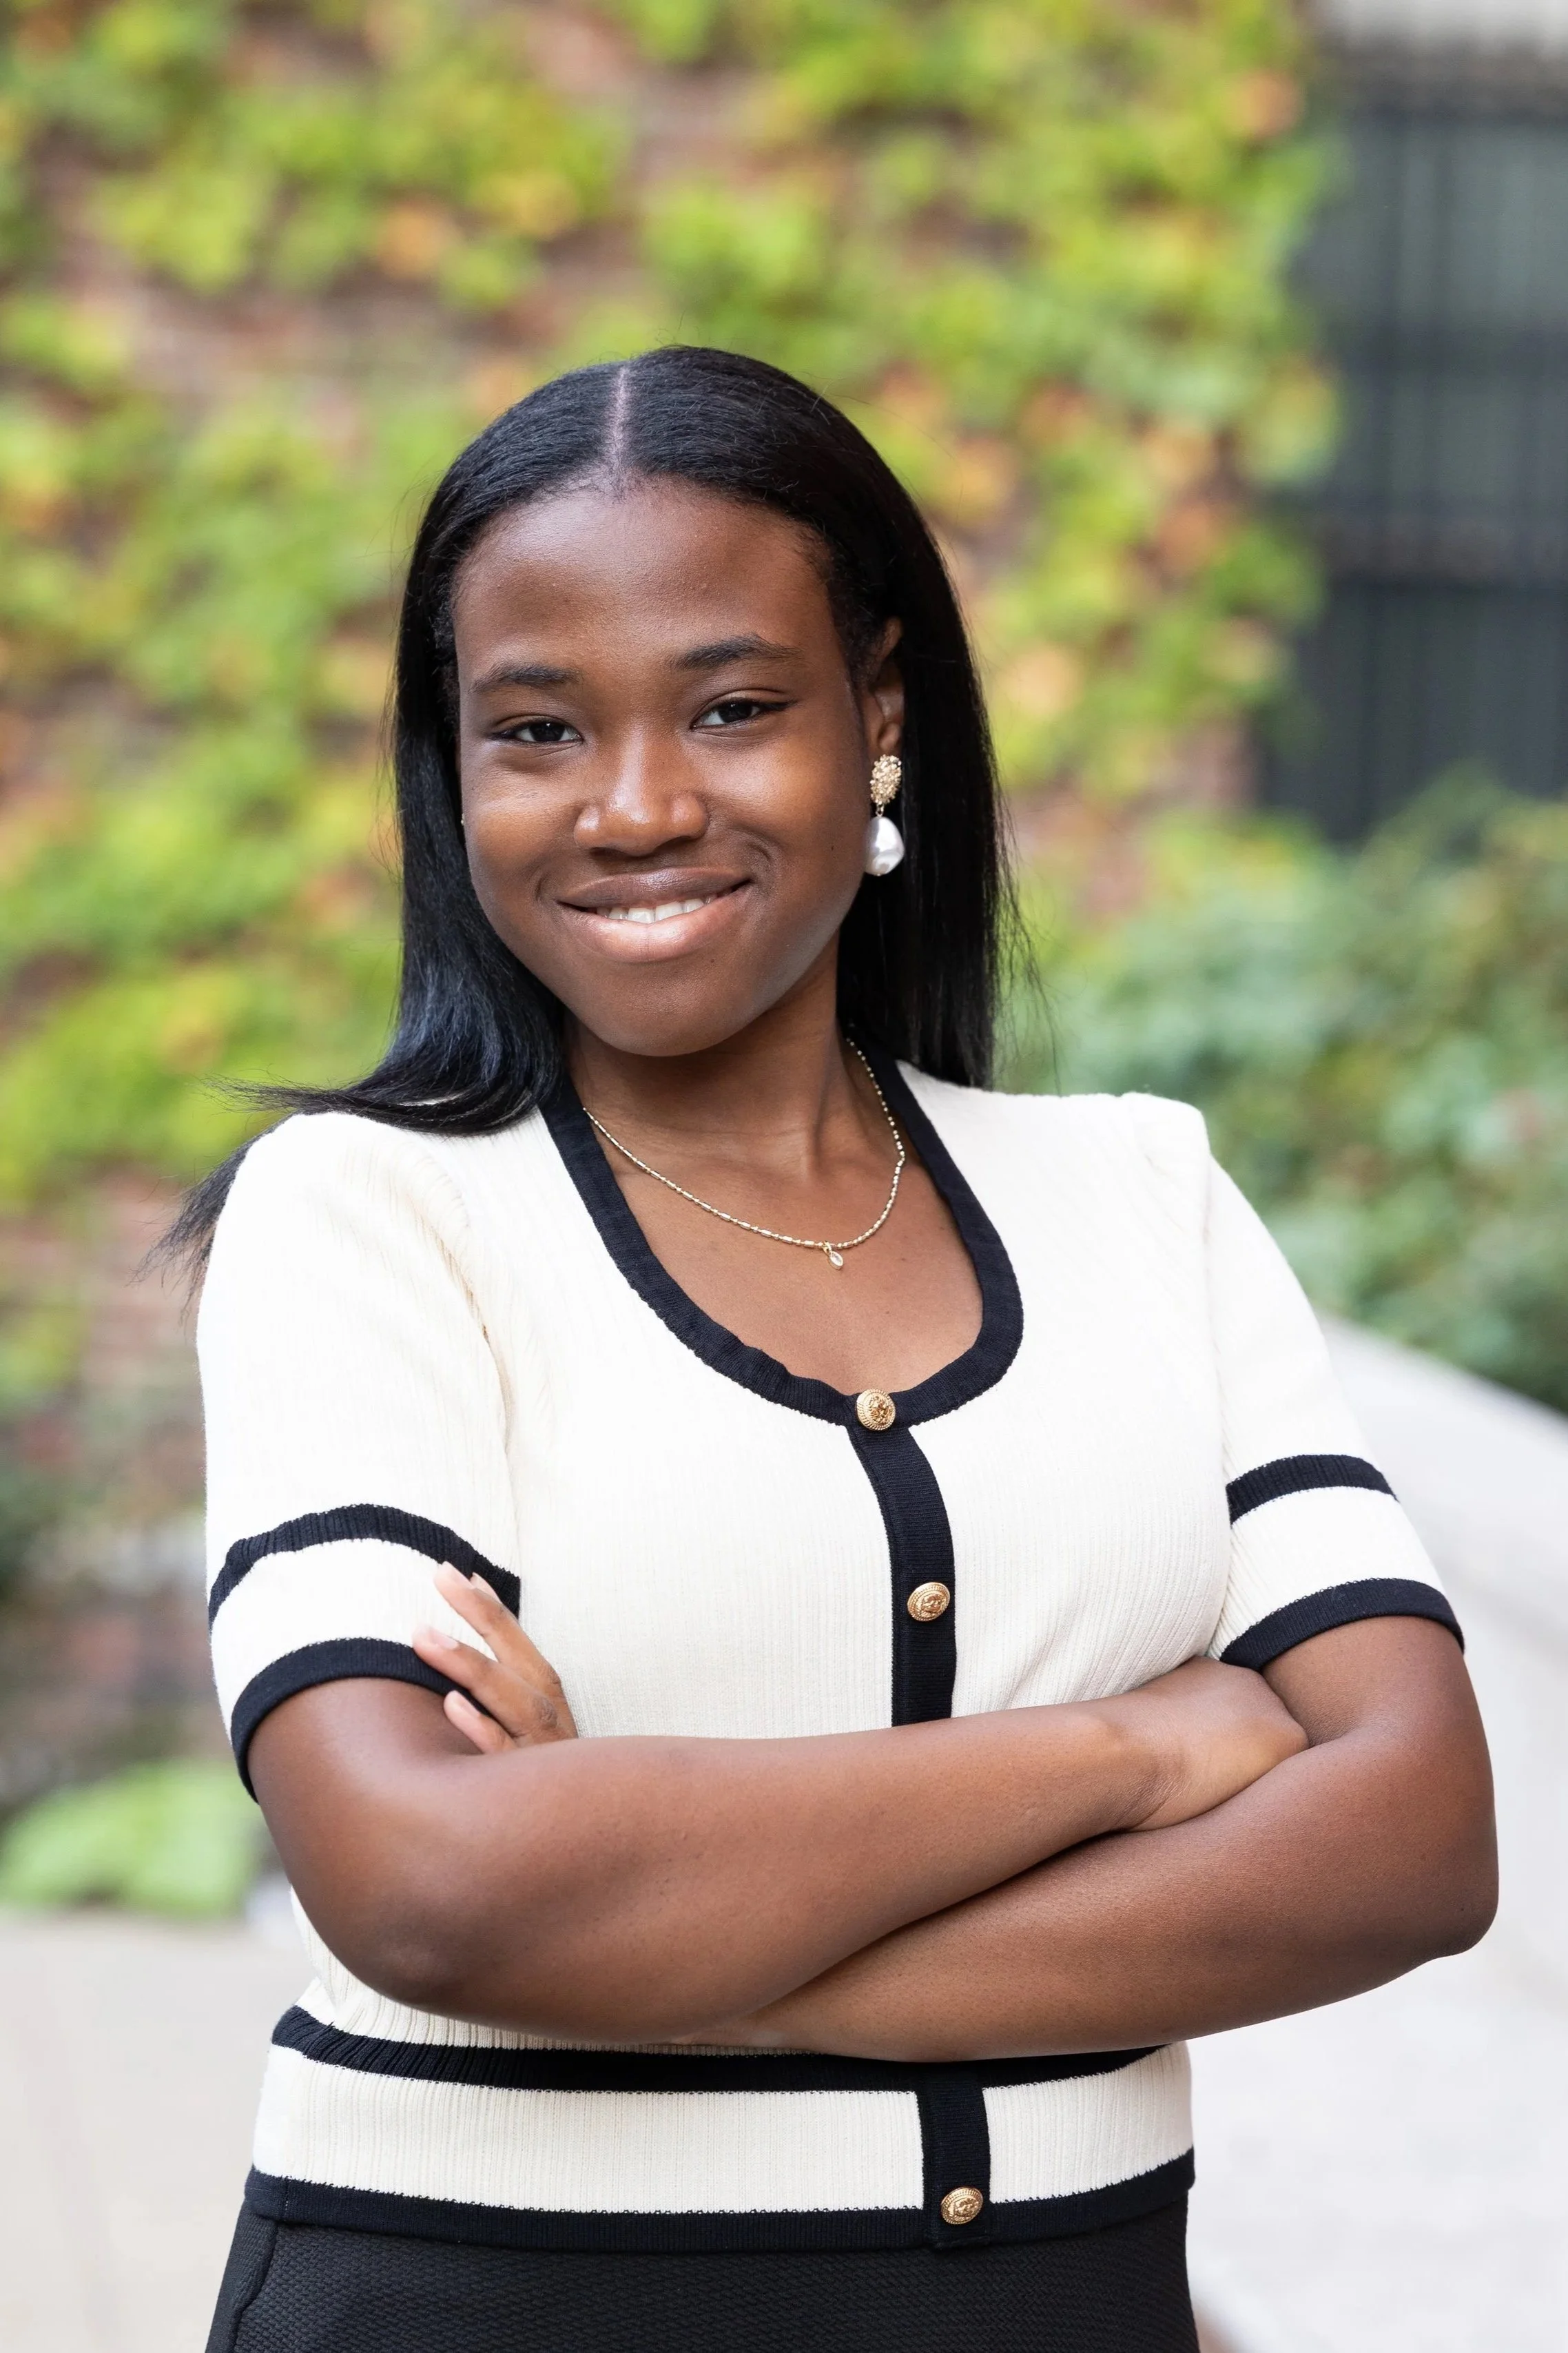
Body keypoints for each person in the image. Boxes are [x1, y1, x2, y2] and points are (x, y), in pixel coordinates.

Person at [190, 345, 1495, 2353]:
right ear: (455, 772)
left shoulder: (1139, 1201)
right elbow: (431, 1886)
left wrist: (645, 1909)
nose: (634, 806)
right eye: (536, 728)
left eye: (730, 706)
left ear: (876, 718)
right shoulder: (367, 1215)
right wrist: (1135, 1748)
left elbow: (1411, 1834)